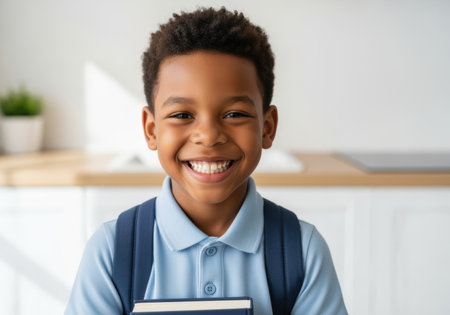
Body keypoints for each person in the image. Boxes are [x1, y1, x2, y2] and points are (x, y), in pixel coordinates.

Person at [65, 7, 347, 315]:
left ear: (267, 128)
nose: (209, 135)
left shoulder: (302, 251)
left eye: (234, 114)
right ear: (151, 129)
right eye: (182, 115)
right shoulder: (112, 251)